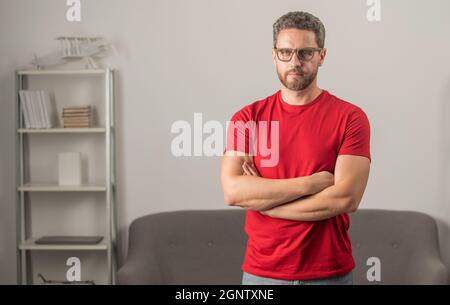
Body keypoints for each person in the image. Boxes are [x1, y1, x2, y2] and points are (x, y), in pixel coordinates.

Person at [220, 11, 371, 285]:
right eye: (286, 53)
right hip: (262, 275)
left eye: (305, 53)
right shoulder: (247, 118)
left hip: (330, 274)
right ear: (274, 55)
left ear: (321, 56)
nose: (294, 62)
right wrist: (313, 183)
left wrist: (267, 206)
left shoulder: (351, 118)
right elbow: (233, 191)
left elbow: (345, 199)